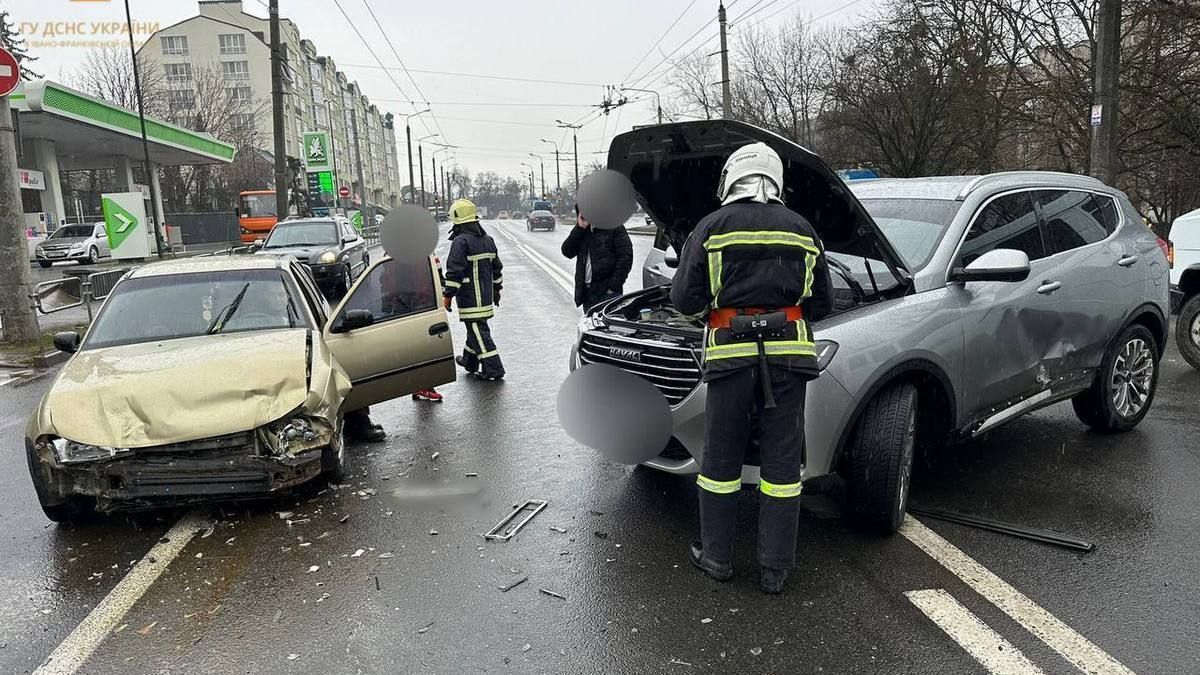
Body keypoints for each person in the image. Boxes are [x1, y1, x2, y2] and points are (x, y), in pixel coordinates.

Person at [670, 142, 834, 595]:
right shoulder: (804, 230)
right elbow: (822, 302)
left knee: (720, 460)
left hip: (730, 358)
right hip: (789, 358)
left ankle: (718, 557)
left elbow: (684, 300)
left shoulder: (711, 227)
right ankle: (775, 568)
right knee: (782, 463)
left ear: (731, 179)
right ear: (775, 179)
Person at [443, 198, 505, 381]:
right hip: (485, 298)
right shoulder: (488, 240)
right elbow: (497, 270)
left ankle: (494, 368)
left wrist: (448, 295)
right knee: (475, 330)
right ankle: (469, 362)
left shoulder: (460, 242)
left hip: (470, 299)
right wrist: (496, 290)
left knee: (479, 332)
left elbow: (454, 273)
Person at [561, 203, 634, 311]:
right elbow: (567, 251)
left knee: (608, 327)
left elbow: (626, 256)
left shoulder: (613, 226)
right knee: (591, 326)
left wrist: (613, 287)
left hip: (608, 293)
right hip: (588, 294)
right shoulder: (582, 230)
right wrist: (579, 228)